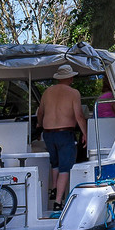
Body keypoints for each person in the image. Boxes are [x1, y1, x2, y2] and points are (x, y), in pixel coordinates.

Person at [37, 64, 89, 212]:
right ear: (70, 77)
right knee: (65, 167)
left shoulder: (47, 92)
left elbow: (40, 112)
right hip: (65, 133)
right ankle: (58, 202)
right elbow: (79, 115)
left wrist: (40, 125)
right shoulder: (74, 93)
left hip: (48, 133)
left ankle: (54, 188)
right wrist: (85, 133)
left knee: (55, 163)